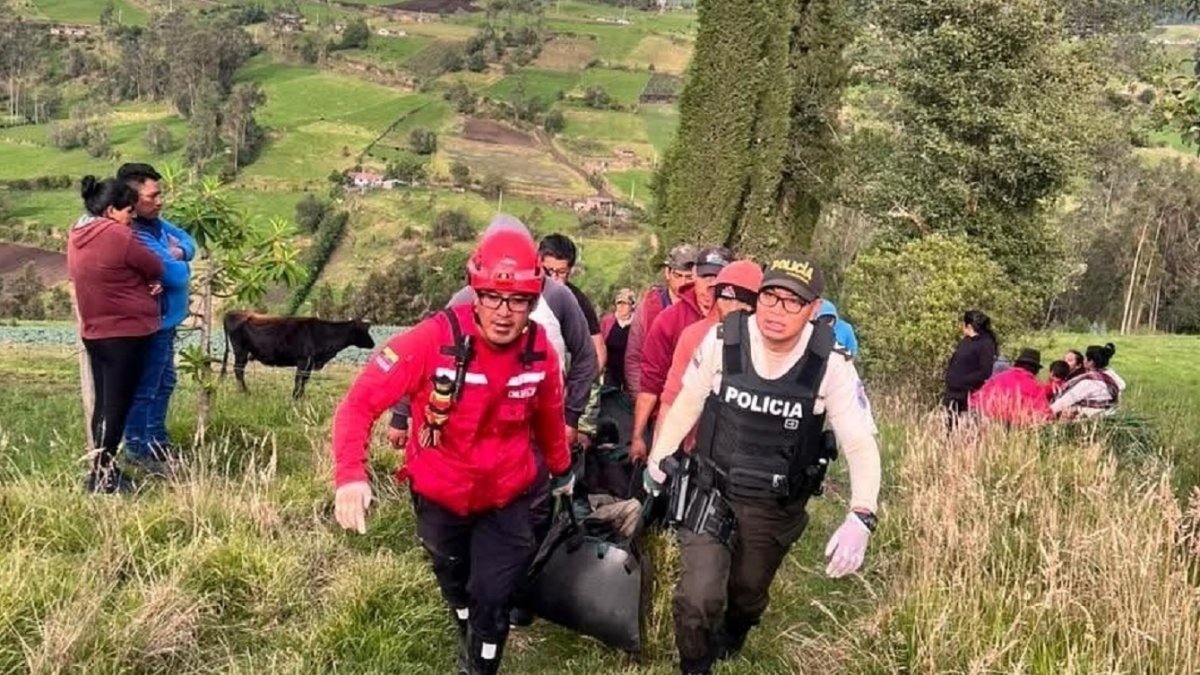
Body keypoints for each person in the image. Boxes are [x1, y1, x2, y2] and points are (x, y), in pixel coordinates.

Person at [332, 226, 574, 675]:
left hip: (508, 498)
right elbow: (359, 404)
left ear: (534, 301)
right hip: (441, 496)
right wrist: (350, 473)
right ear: (475, 294)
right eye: (492, 298)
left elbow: (548, 416)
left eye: (518, 301)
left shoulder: (539, 350)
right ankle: (465, 617)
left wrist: (562, 470)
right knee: (455, 581)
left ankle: (479, 662)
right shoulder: (431, 341)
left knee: (495, 595)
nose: (504, 313)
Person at [644, 253, 882, 675]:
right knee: (698, 597)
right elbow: (687, 402)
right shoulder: (724, 340)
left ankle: (736, 630)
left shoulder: (830, 364)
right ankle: (695, 665)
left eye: (793, 301)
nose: (777, 310)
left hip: (774, 504)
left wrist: (862, 513)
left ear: (812, 309)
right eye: (770, 297)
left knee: (747, 591)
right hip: (710, 489)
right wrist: (659, 457)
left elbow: (860, 443)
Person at [68, 176, 165, 494]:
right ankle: (102, 476)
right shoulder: (115, 234)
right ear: (111, 210)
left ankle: (101, 467)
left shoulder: (78, 232)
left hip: (96, 331)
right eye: (127, 212)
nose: (131, 219)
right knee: (117, 407)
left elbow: (111, 272)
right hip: (125, 332)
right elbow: (154, 264)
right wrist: (147, 281)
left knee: (103, 405)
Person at [118, 163, 197, 474]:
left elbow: (190, 242)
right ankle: (139, 450)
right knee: (146, 387)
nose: (160, 201)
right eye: (153, 196)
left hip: (166, 321)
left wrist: (177, 253)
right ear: (132, 200)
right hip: (151, 322)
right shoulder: (135, 234)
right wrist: (177, 260)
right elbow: (176, 276)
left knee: (164, 382)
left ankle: (156, 441)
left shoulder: (158, 226)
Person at [630, 246, 732, 463]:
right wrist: (638, 435)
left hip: (720, 434)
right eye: (705, 277)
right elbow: (651, 381)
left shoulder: (742, 323)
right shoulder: (668, 320)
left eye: (718, 278)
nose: (710, 286)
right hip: (671, 422)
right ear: (694, 276)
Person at [657, 260, 763, 444]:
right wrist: (657, 459)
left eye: (742, 301)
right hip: (696, 450)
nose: (732, 308)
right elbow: (671, 399)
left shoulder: (771, 346)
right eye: (726, 298)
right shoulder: (694, 336)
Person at [624, 243, 698, 395]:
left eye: (689, 277)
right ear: (668, 273)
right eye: (678, 275)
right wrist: (640, 397)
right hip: (651, 394)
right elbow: (634, 357)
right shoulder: (648, 307)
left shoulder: (702, 309)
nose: (683, 283)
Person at [539, 233, 606, 375]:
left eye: (561, 272)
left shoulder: (578, 301)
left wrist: (585, 387)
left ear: (570, 270)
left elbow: (598, 347)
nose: (553, 278)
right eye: (548, 271)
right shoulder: (523, 295)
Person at [969, 348, 1052, 426]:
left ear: (1017, 364)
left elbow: (975, 400)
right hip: (1016, 428)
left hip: (987, 422)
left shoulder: (997, 378)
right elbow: (1045, 415)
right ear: (1036, 370)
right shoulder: (1036, 388)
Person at [942, 309, 999, 418]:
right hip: (953, 393)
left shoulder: (986, 343)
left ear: (968, 325)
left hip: (967, 394)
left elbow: (985, 372)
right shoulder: (966, 341)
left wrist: (963, 381)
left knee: (963, 426)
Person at [1051, 343, 1122, 419]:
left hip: (1091, 417)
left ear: (1090, 362)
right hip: (1108, 414)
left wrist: (1045, 413)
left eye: (1085, 358)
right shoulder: (1111, 377)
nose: (1083, 360)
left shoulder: (1088, 382)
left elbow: (1064, 401)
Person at [599, 288, 636, 390]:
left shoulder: (637, 323)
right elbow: (600, 342)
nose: (621, 307)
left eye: (625, 304)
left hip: (630, 371)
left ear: (632, 305)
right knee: (609, 397)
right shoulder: (607, 321)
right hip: (611, 370)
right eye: (619, 303)